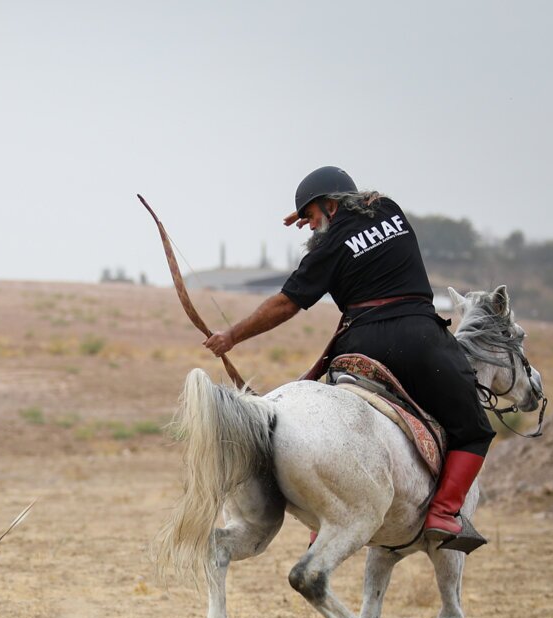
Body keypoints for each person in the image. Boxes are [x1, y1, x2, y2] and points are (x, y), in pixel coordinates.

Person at [201, 166, 495, 552]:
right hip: (419, 338)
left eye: (309, 217)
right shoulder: (389, 209)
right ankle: (443, 512)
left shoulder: (325, 250)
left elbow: (286, 303)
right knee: (474, 427)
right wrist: (316, 207)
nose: (307, 227)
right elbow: (363, 205)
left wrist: (232, 335)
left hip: (360, 345)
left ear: (330, 204)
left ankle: (328, 512)